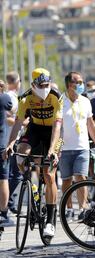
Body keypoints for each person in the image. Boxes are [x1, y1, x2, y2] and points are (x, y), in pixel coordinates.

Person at [4, 68, 62, 239]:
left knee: (49, 174)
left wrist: (52, 150)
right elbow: (18, 123)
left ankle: (50, 222)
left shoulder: (56, 96)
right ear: (33, 85)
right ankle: (33, 187)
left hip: (53, 131)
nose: (45, 87)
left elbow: (58, 126)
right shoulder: (25, 98)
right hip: (35, 129)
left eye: (47, 84)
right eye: (41, 85)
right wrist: (10, 144)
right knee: (21, 155)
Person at [60, 72, 95, 221]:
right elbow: (57, 128)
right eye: (77, 82)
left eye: (81, 81)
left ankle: (83, 208)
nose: (81, 84)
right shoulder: (60, 101)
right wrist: (56, 148)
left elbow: (91, 125)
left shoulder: (85, 101)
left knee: (81, 178)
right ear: (69, 85)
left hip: (82, 147)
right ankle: (69, 208)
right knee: (66, 180)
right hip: (64, 148)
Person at [4, 72, 22, 214]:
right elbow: (7, 118)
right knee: (14, 174)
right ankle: (7, 203)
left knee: (14, 174)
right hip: (10, 139)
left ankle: (9, 202)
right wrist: (22, 123)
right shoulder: (10, 97)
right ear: (17, 82)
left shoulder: (13, 97)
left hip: (13, 138)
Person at [0, 93, 13, 226]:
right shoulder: (3, 98)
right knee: (3, 180)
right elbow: (11, 106)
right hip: (1, 146)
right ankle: (3, 213)